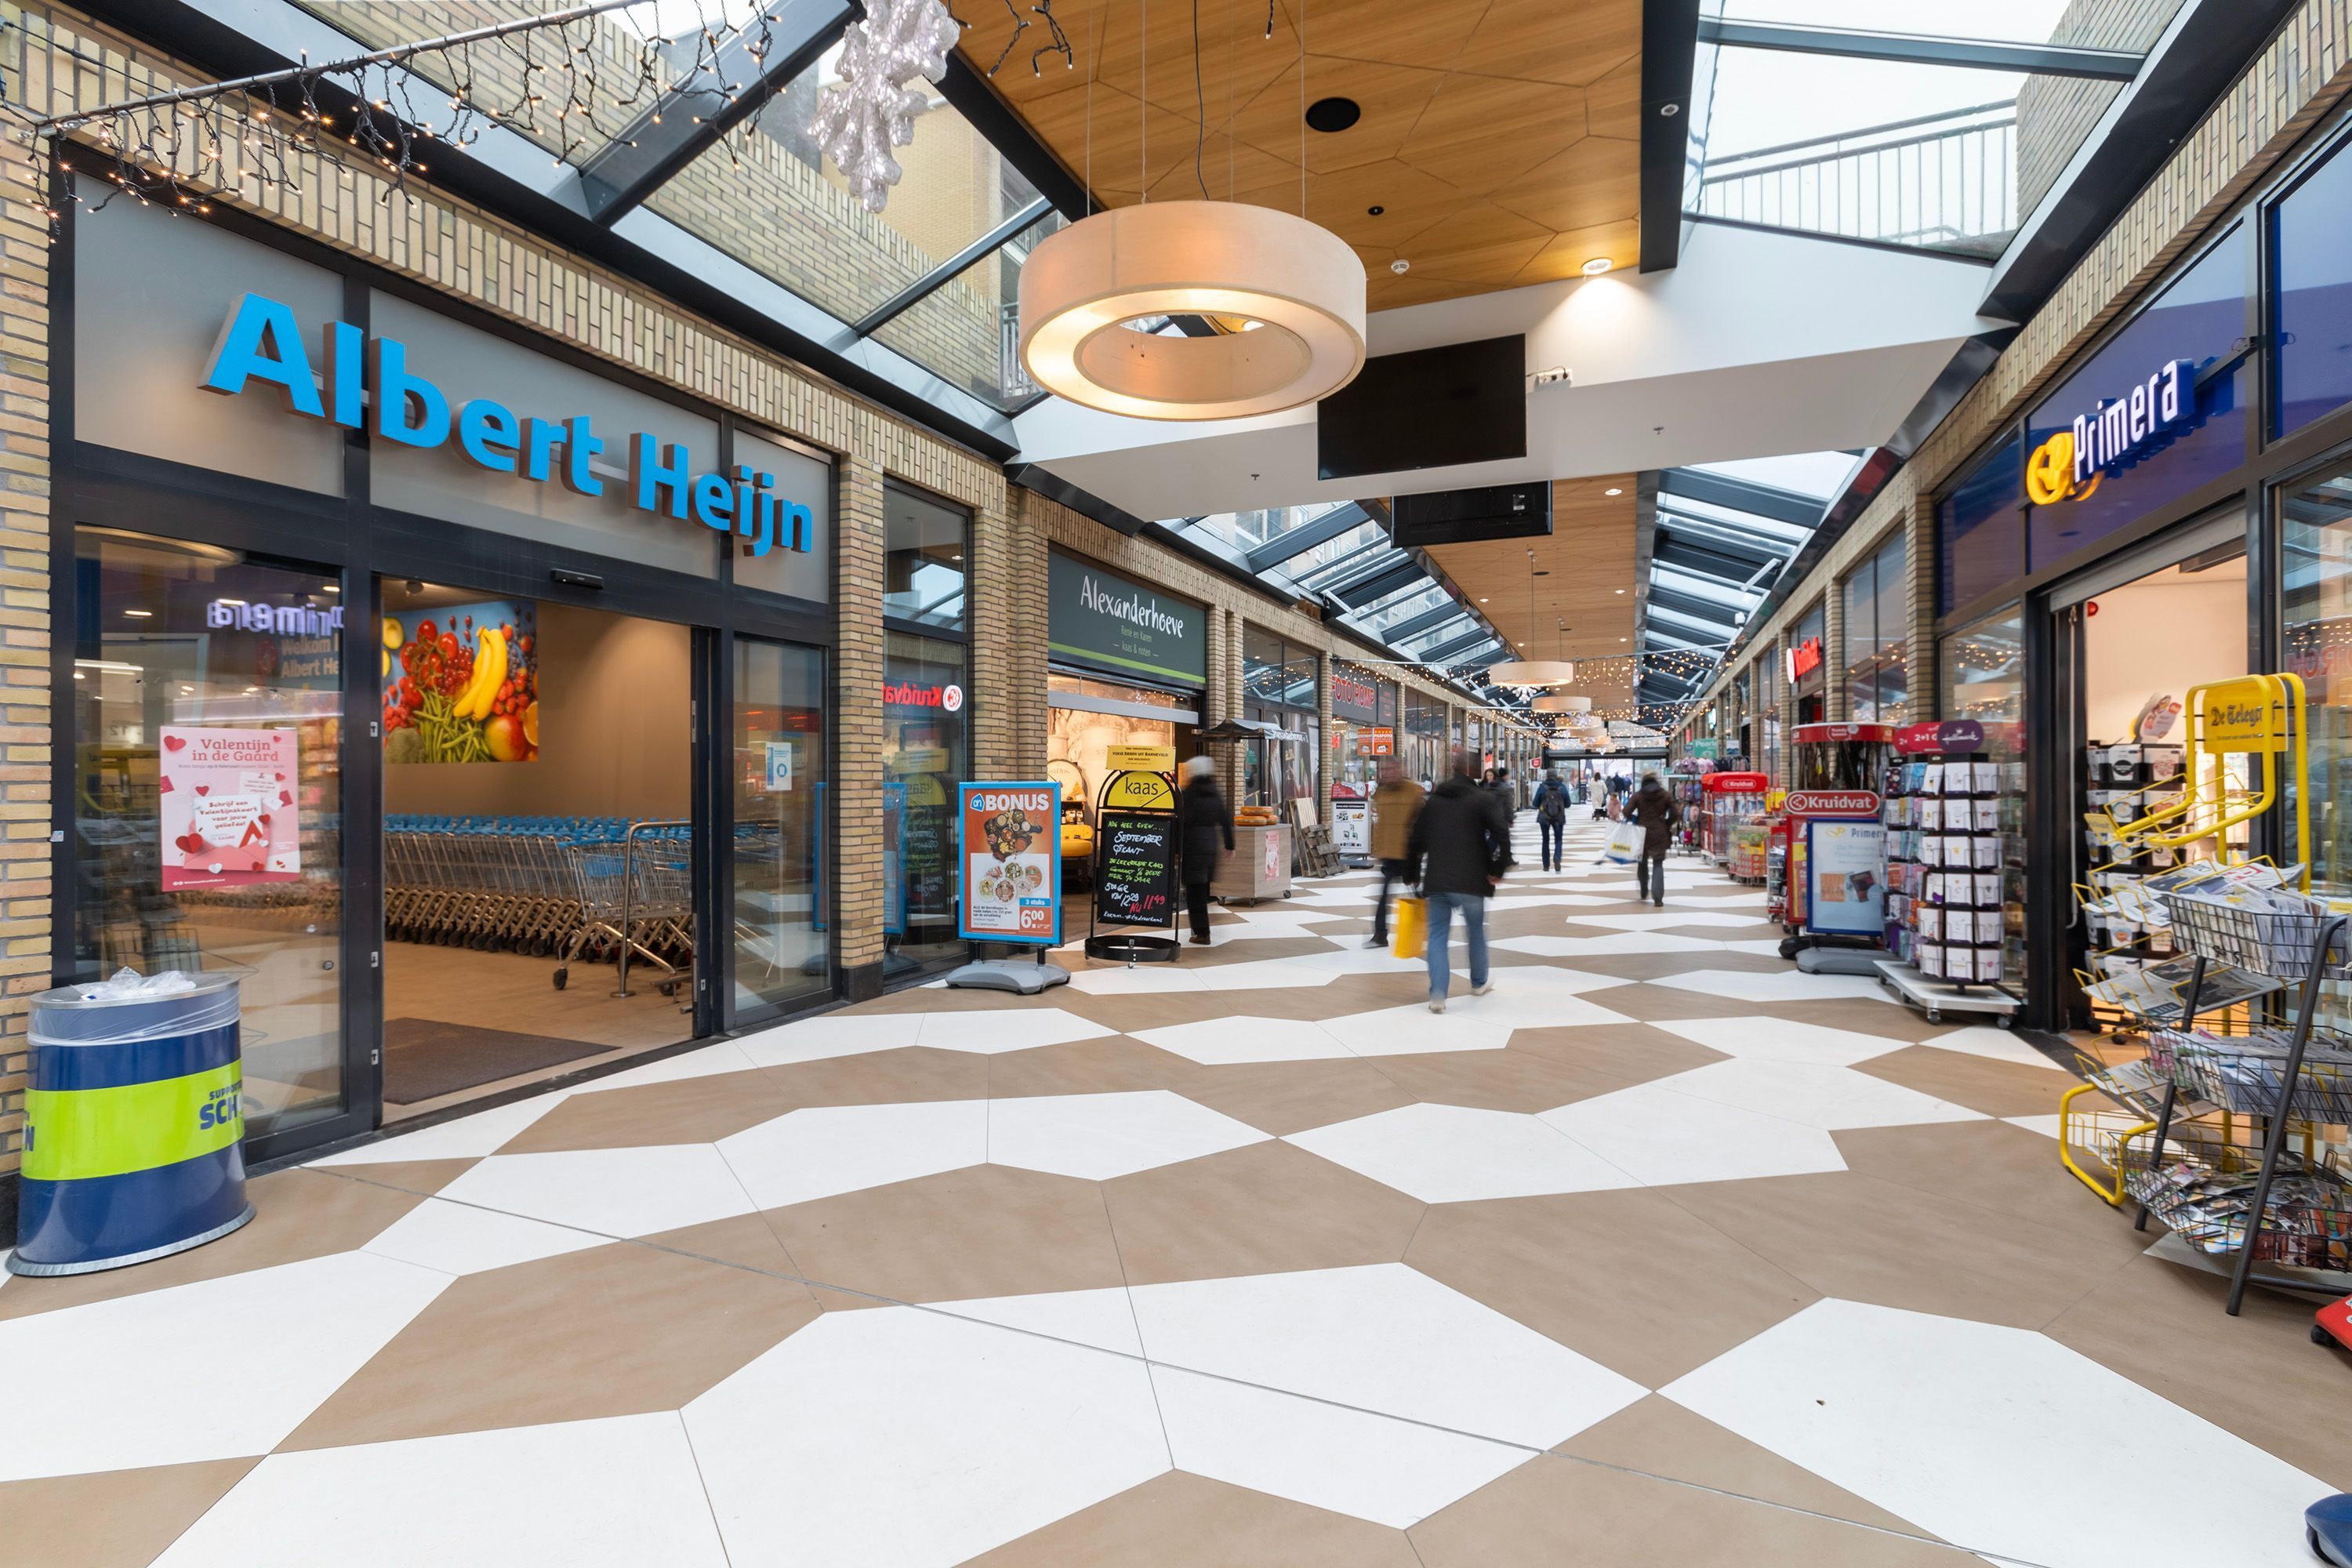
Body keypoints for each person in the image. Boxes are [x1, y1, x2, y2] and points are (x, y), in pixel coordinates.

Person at [1406, 749, 1511, 1013]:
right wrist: (1498, 868)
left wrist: (1412, 873)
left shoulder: (1435, 801)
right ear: (1473, 771)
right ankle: (1478, 982)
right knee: (1475, 930)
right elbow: (1501, 831)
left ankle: (1438, 995)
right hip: (1472, 880)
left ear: (1452, 770)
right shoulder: (1482, 799)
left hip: (1438, 879)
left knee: (1437, 936)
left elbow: (1417, 839)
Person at [1177, 755, 1234, 945]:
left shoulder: (1188, 794)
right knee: (1200, 891)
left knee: (1194, 894)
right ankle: (1202, 931)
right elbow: (1225, 820)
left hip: (1192, 847)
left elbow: (1180, 822)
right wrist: (1230, 846)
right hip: (1210, 848)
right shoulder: (1215, 793)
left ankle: (1202, 933)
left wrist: (1175, 848)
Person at [1367, 760, 1424, 948]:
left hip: (1409, 854)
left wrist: (1418, 850)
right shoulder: (1381, 792)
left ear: (1401, 770)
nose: (1389, 773)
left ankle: (1425, 929)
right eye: (1386, 770)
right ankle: (1380, 934)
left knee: (1417, 894)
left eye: (1392, 769)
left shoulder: (1412, 791)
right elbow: (1380, 823)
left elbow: (1421, 822)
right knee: (1384, 895)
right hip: (1389, 855)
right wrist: (1377, 848)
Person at [1629, 770, 1682, 907]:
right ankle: (1658, 899)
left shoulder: (1638, 795)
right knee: (1658, 863)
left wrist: (1636, 820)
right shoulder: (1665, 795)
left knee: (1642, 862)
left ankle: (1643, 890)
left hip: (1642, 832)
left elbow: (1626, 811)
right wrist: (1666, 823)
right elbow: (1675, 814)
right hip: (1659, 832)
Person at [1533, 770, 1570, 872]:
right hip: (1558, 817)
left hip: (1544, 818)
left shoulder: (1542, 787)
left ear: (1547, 776)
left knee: (1545, 840)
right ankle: (1557, 858)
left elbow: (1535, 803)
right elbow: (1568, 804)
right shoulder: (1562, 787)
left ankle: (1546, 865)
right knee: (1558, 839)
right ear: (1556, 776)